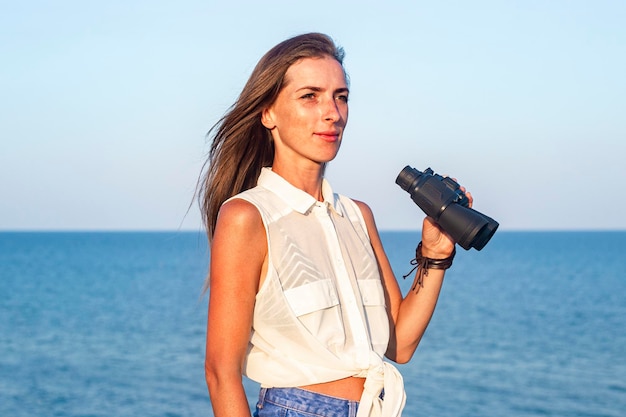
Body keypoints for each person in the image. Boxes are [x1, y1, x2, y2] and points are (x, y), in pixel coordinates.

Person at [198, 32, 472, 417]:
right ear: (268, 113)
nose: (332, 112)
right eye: (310, 96)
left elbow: (401, 344)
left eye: (340, 96)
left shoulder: (357, 216)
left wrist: (435, 254)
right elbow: (220, 372)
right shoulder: (248, 216)